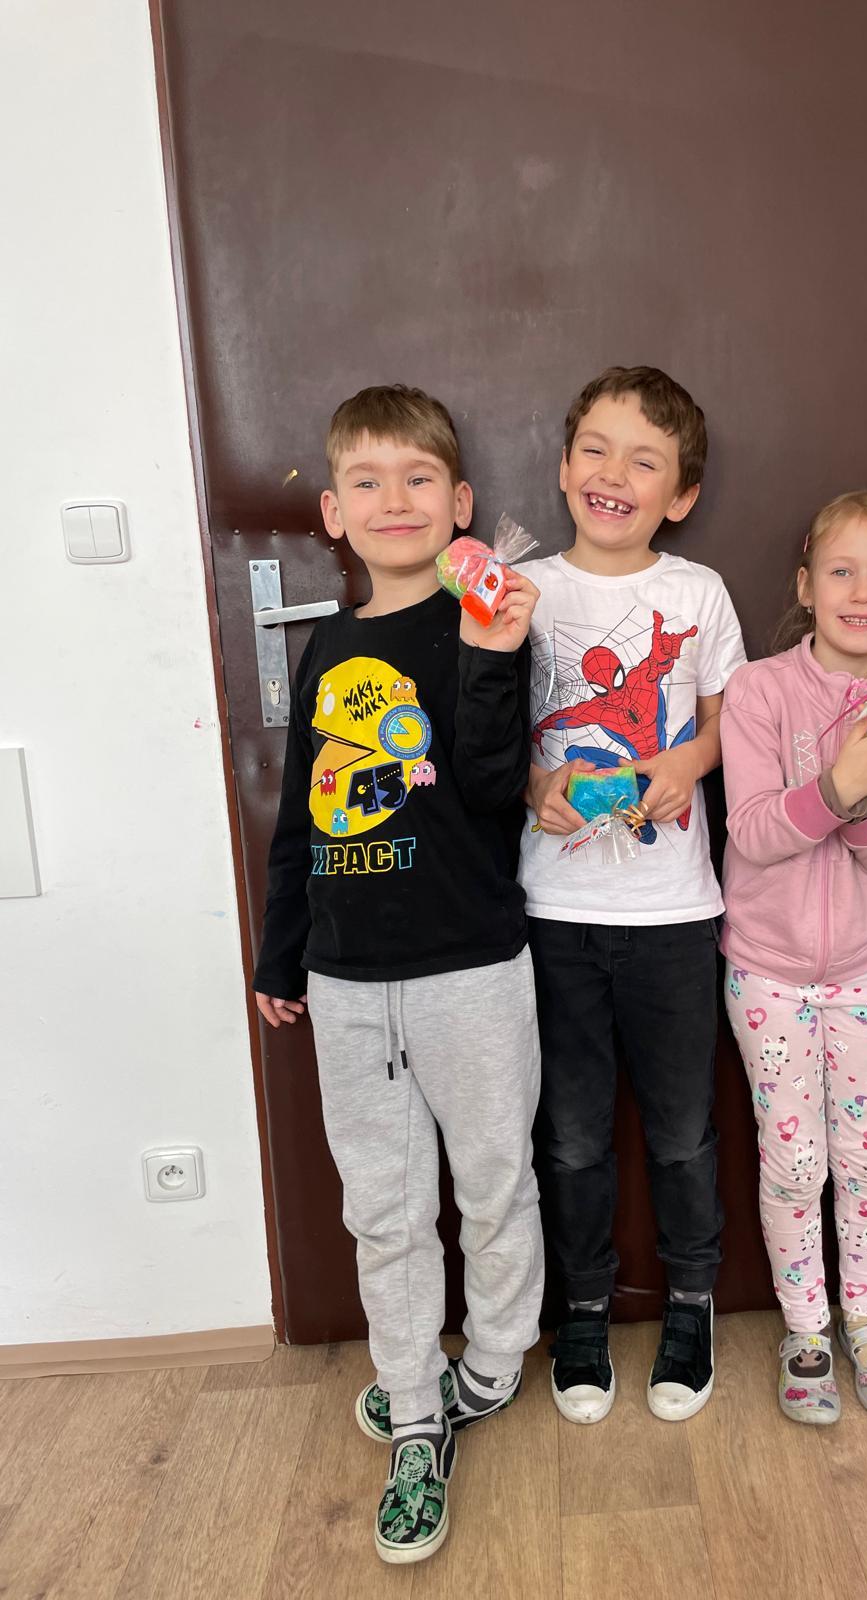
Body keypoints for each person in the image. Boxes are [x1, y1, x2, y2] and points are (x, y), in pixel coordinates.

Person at [252, 385, 544, 1561]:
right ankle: (415, 1407)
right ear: (333, 512)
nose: (394, 499)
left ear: (460, 502)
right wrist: (283, 950)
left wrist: (492, 656)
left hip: (472, 968)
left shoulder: (486, 622)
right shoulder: (326, 646)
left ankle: (495, 1359)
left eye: (419, 478)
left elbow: (491, 787)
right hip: (345, 979)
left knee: (494, 1179)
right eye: (366, 481)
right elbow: (299, 820)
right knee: (382, 1204)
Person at [520, 366, 745, 1424]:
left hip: (672, 914)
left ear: (680, 494)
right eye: (597, 450)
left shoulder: (697, 593)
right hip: (552, 913)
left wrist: (688, 762)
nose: (615, 474)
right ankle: (583, 1307)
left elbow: (729, 719)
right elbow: (485, 730)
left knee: (683, 1129)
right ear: (565, 467)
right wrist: (536, 785)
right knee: (569, 1134)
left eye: (645, 460)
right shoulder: (523, 591)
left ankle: (692, 1302)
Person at [720, 490, 867, 1423]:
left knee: (866, 1156)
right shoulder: (759, 691)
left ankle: (866, 1320)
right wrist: (842, 779)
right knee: (792, 1159)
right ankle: (807, 1329)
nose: (863, 592)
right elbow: (753, 831)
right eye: (842, 571)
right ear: (806, 584)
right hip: (767, 972)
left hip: (862, 971)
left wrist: (858, 795)